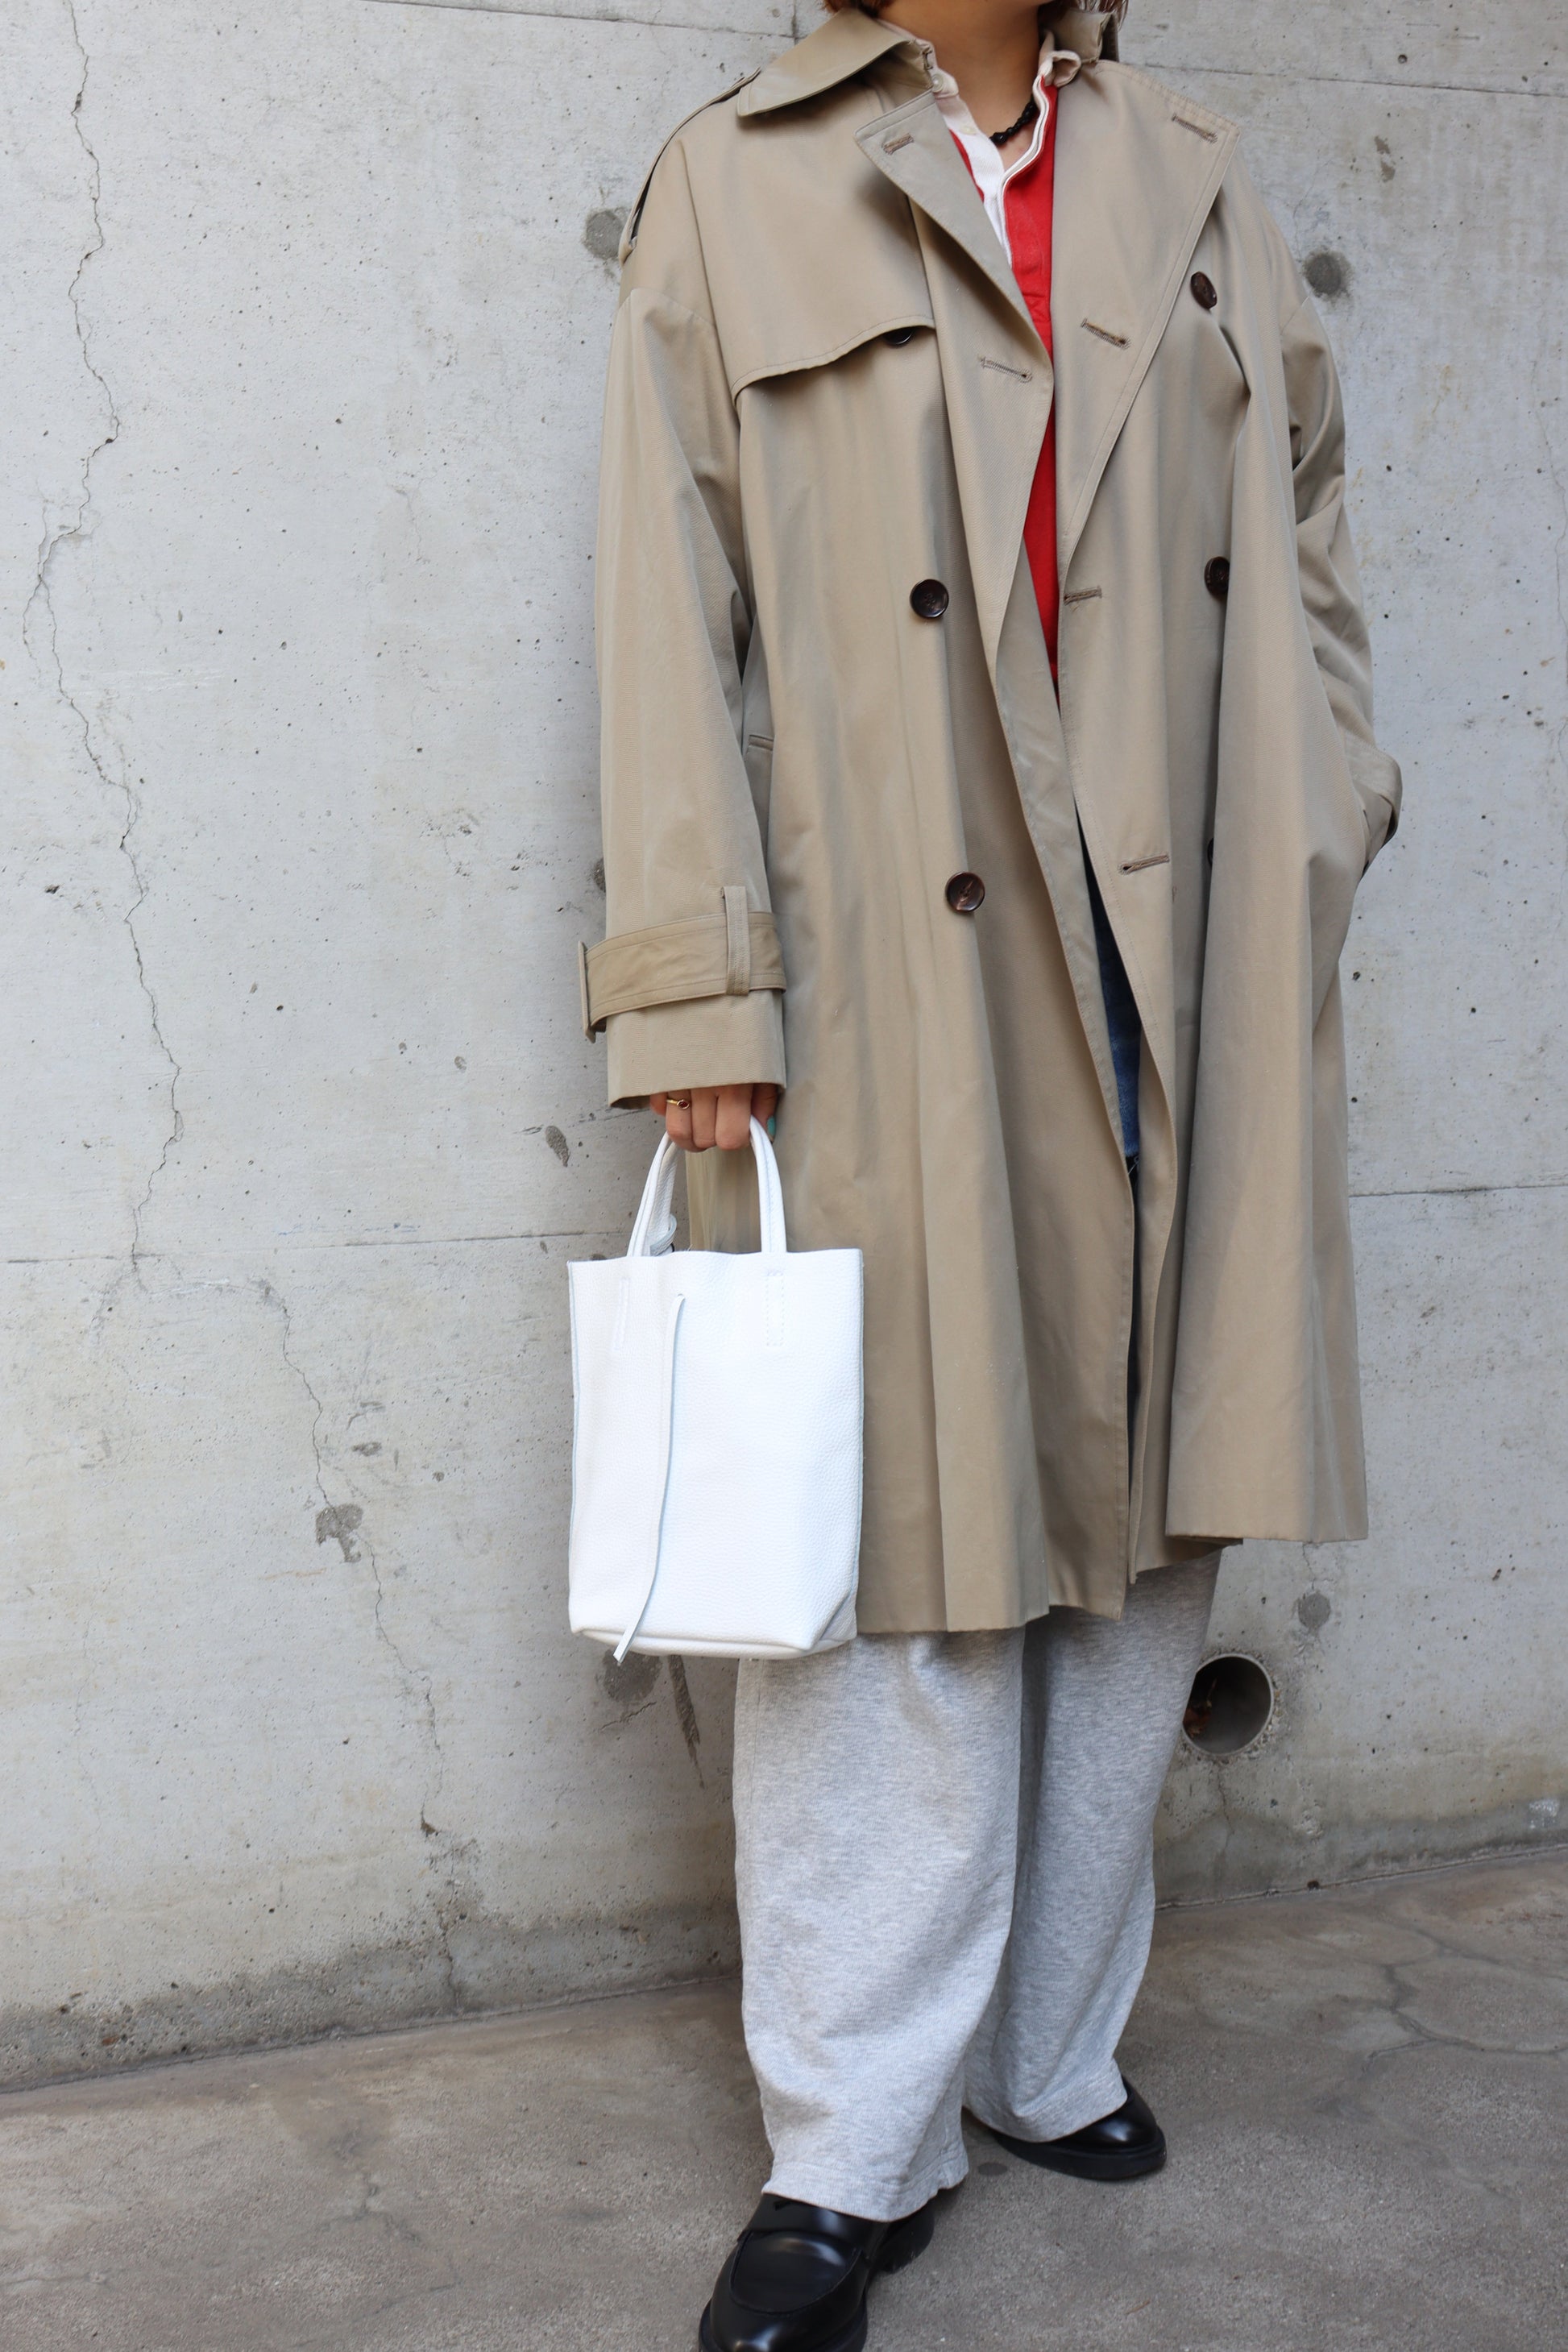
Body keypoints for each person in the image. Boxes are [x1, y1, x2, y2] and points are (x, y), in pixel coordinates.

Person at [580, 2, 1401, 2344]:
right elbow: (667, 599)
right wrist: (695, 987)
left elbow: (1306, 516)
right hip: (894, 953)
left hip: (1179, 941)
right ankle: (854, 2145)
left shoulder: (1188, 165)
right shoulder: (736, 178)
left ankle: (1051, 2049)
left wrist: (1329, 811)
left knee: (1146, 1511)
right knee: (906, 1541)